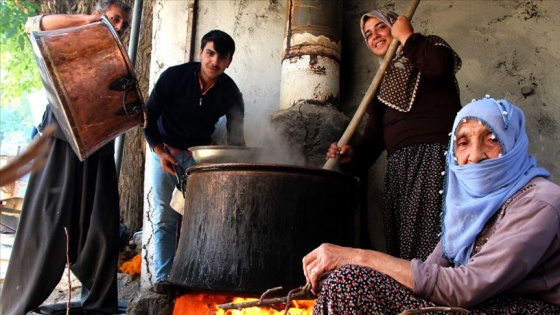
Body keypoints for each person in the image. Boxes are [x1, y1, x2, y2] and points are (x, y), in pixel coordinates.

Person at [304, 96, 560, 314]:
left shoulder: (540, 201)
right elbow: (431, 272)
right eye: (463, 143)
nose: (474, 156)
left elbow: (464, 288)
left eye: (491, 139)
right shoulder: (467, 207)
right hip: (478, 304)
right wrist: (346, 266)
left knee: (350, 280)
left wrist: (357, 256)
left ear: (513, 143)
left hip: (525, 308)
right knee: (346, 280)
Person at [0, 1, 132, 314]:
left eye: (123, 24)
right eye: (113, 19)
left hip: (98, 145)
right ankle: (15, 304)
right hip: (59, 140)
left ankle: (100, 305)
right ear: (99, 15)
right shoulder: (72, 36)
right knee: (46, 220)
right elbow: (34, 24)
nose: (118, 27)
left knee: (101, 225)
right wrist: (88, 20)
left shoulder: (116, 59)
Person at [326, 10, 462, 260]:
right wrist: (352, 156)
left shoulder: (429, 46)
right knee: (404, 246)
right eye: (368, 34)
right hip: (400, 170)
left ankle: (437, 296)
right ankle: (409, 297)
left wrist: (408, 37)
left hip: (435, 160)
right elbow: (374, 139)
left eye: (381, 27)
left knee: (434, 242)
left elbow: (440, 67)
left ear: (396, 26)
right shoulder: (382, 84)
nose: (375, 36)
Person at [143, 29, 245, 293]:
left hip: (199, 159)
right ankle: (164, 277)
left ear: (229, 61)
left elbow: (236, 140)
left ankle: (194, 274)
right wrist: (158, 150)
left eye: (222, 57)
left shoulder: (231, 93)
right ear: (201, 52)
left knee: (199, 218)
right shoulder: (174, 78)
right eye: (210, 53)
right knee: (166, 216)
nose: (214, 61)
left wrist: (234, 170)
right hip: (164, 151)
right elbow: (147, 118)